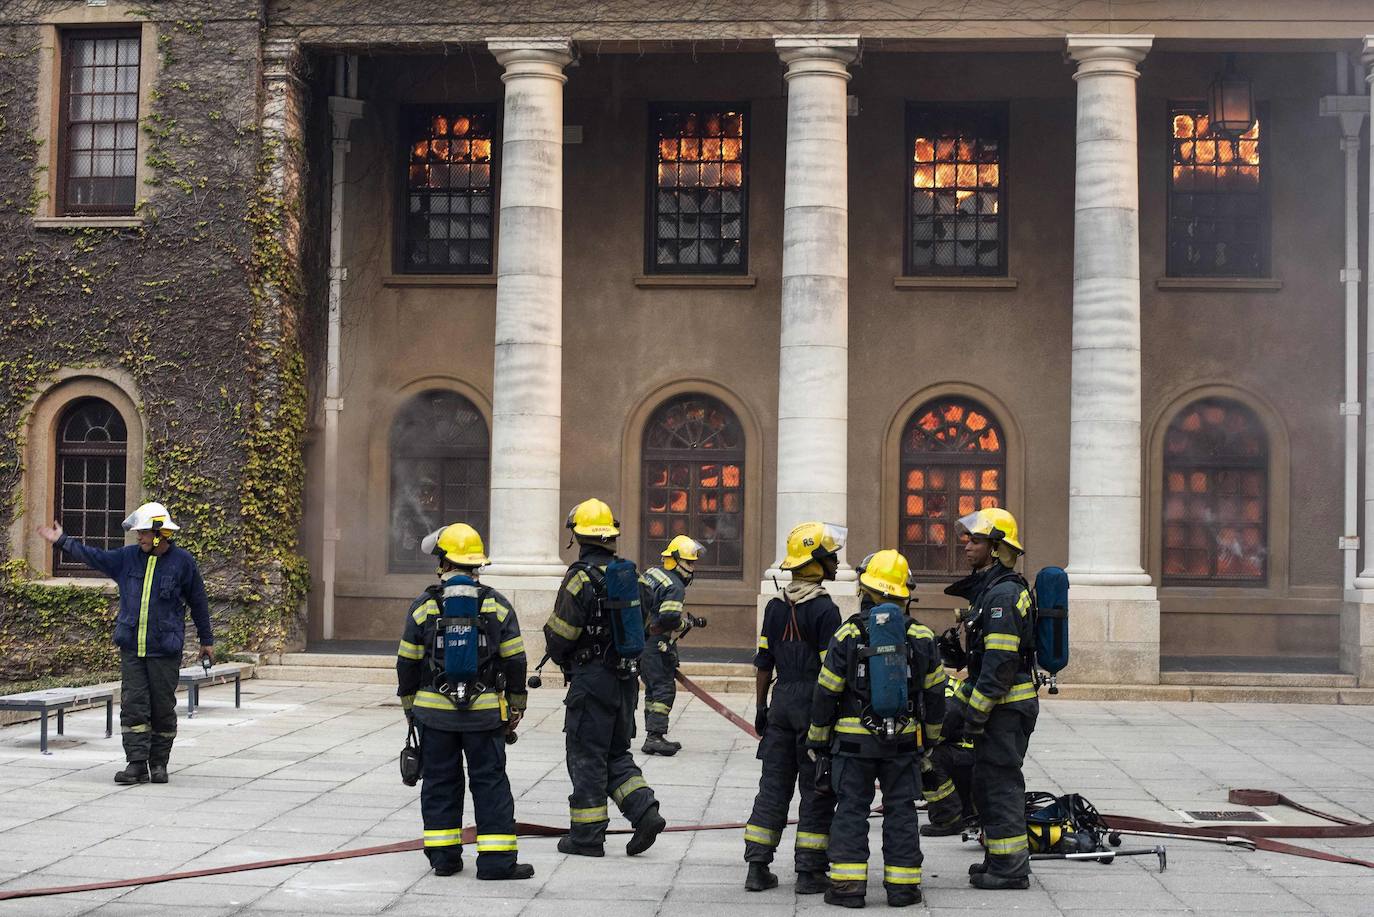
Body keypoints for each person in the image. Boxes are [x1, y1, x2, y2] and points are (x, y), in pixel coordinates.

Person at [807, 549, 946, 908]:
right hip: (903, 741)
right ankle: (903, 888)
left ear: (866, 590)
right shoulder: (922, 636)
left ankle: (848, 888)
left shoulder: (848, 632)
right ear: (903, 593)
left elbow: (826, 691)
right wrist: (930, 740)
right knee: (901, 809)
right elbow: (935, 694)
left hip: (853, 744)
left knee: (851, 808)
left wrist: (818, 739)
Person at [395, 522, 533, 880]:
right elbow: (515, 660)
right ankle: (496, 862)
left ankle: (444, 858)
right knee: (490, 784)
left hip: (434, 716)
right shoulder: (497, 605)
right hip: (484, 716)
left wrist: (410, 709)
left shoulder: (425, 606)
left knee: (440, 783)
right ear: (477, 564)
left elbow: (407, 662)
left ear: (444, 562)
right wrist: (516, 704)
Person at [38, 503, 213, 785]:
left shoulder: (183, 562)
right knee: (133, 707)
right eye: (138, 533)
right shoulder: (127, 558)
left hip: (163, 650)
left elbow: (199, 602)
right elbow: (95, 557)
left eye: (143, 532)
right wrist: (63, 541)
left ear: (160, 534)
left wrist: (207, 640)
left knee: (162, 708)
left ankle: (159, 764)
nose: (139, 537)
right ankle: (136, 764)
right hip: (132, 649)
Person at [543, 498, 666, 858]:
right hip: (625, 681)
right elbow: (645, 626)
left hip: (591, 680)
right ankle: (645, 812)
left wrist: (563, 656)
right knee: (615, 751)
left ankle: (586, 835)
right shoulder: (634, 578)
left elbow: (561, 634)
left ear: (578, 537)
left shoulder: (579, 579)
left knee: (586, 754)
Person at [742, 522, 845, 895]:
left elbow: (763, 662)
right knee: (817, 788)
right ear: (815, 563)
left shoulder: (775, 607)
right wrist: (830, 716)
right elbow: (831, 671)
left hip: (780, 701)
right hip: (813, 704)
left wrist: (761, 707)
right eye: (830, 556)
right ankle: (809, 872)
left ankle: (757, 867)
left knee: (773, 785)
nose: (836, 562)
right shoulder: (825, 610)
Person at [943, 507, 1038, 890]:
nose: (967, 545)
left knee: (1000, 784)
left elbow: (1000, 664)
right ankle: (998, 859)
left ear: (997, 548)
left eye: (976, 540)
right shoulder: (993, 590)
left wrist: (975, 712)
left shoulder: (1002, 596)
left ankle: (1011, 869)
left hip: (1005, 708)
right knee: (986, 782)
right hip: (1000, 707)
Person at [639, 535, 708, 756]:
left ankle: (652, 736)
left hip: (641, 642)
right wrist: (685, 624)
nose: (692, 568)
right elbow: (669, 618)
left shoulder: (652, 573)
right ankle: (655, 737)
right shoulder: (675, 586)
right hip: (656, 644)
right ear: (675, 560)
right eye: (689, 562)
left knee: (652, 689)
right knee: (663, 689)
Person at [920, 676, 978, 837]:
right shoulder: (937, 685)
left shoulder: (944, 693)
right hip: (964, 753)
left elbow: (940, 728)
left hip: (968, 754)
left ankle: (947, 818)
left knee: (926, 759)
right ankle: (966, 808)